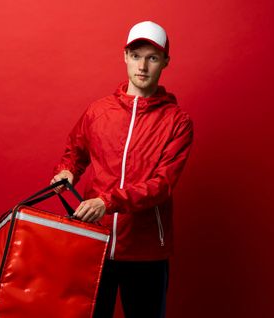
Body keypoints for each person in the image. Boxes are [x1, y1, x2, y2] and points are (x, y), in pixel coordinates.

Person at [51, 21, 193, 318]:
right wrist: (67, 172)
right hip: (94, 243)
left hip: (146, 250)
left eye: (152, 58)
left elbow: (161, 185)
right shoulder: (98, 111)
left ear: (165, 61)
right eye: (136, 55)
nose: (142, 65)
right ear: (125, 56)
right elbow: (74, 153)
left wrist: (107, 202)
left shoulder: (178, 122)